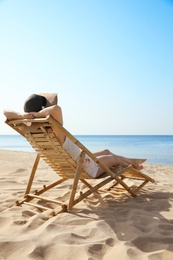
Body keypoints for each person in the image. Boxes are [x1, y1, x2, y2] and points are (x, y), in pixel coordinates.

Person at [4, 93, 146, 178]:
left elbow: (6, 112)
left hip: (79, 160)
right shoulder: (55, 130)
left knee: (106, 151)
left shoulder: (30, 130)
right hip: (86, 168)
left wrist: (22, 115)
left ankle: (133, 160)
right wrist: (39, 115)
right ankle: (134, 164)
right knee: (114, 158)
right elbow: (56, 108)